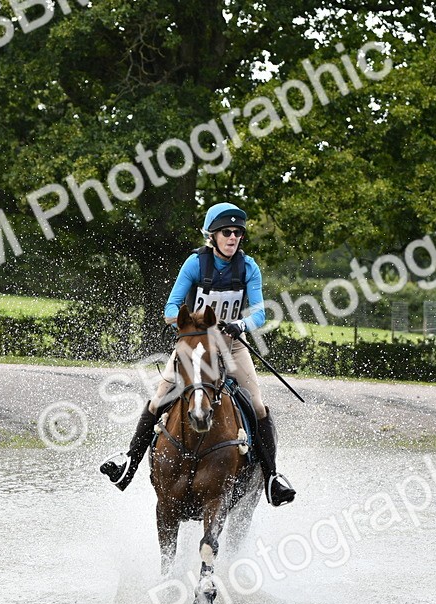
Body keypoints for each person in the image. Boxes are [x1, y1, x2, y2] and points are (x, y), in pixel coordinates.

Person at [100, 202, 296, 506]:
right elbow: (170, 305)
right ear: (212, 235)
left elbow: (259, 315)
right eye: (227, 232)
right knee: (157, 400)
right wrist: (183, 319)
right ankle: (129, 462)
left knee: (257, 405)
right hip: (195, 346)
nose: (233, 238)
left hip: (231, 346)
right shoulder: (194, 264)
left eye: (238, 233)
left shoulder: (249, 267)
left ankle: (271, 478)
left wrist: (239, 324)